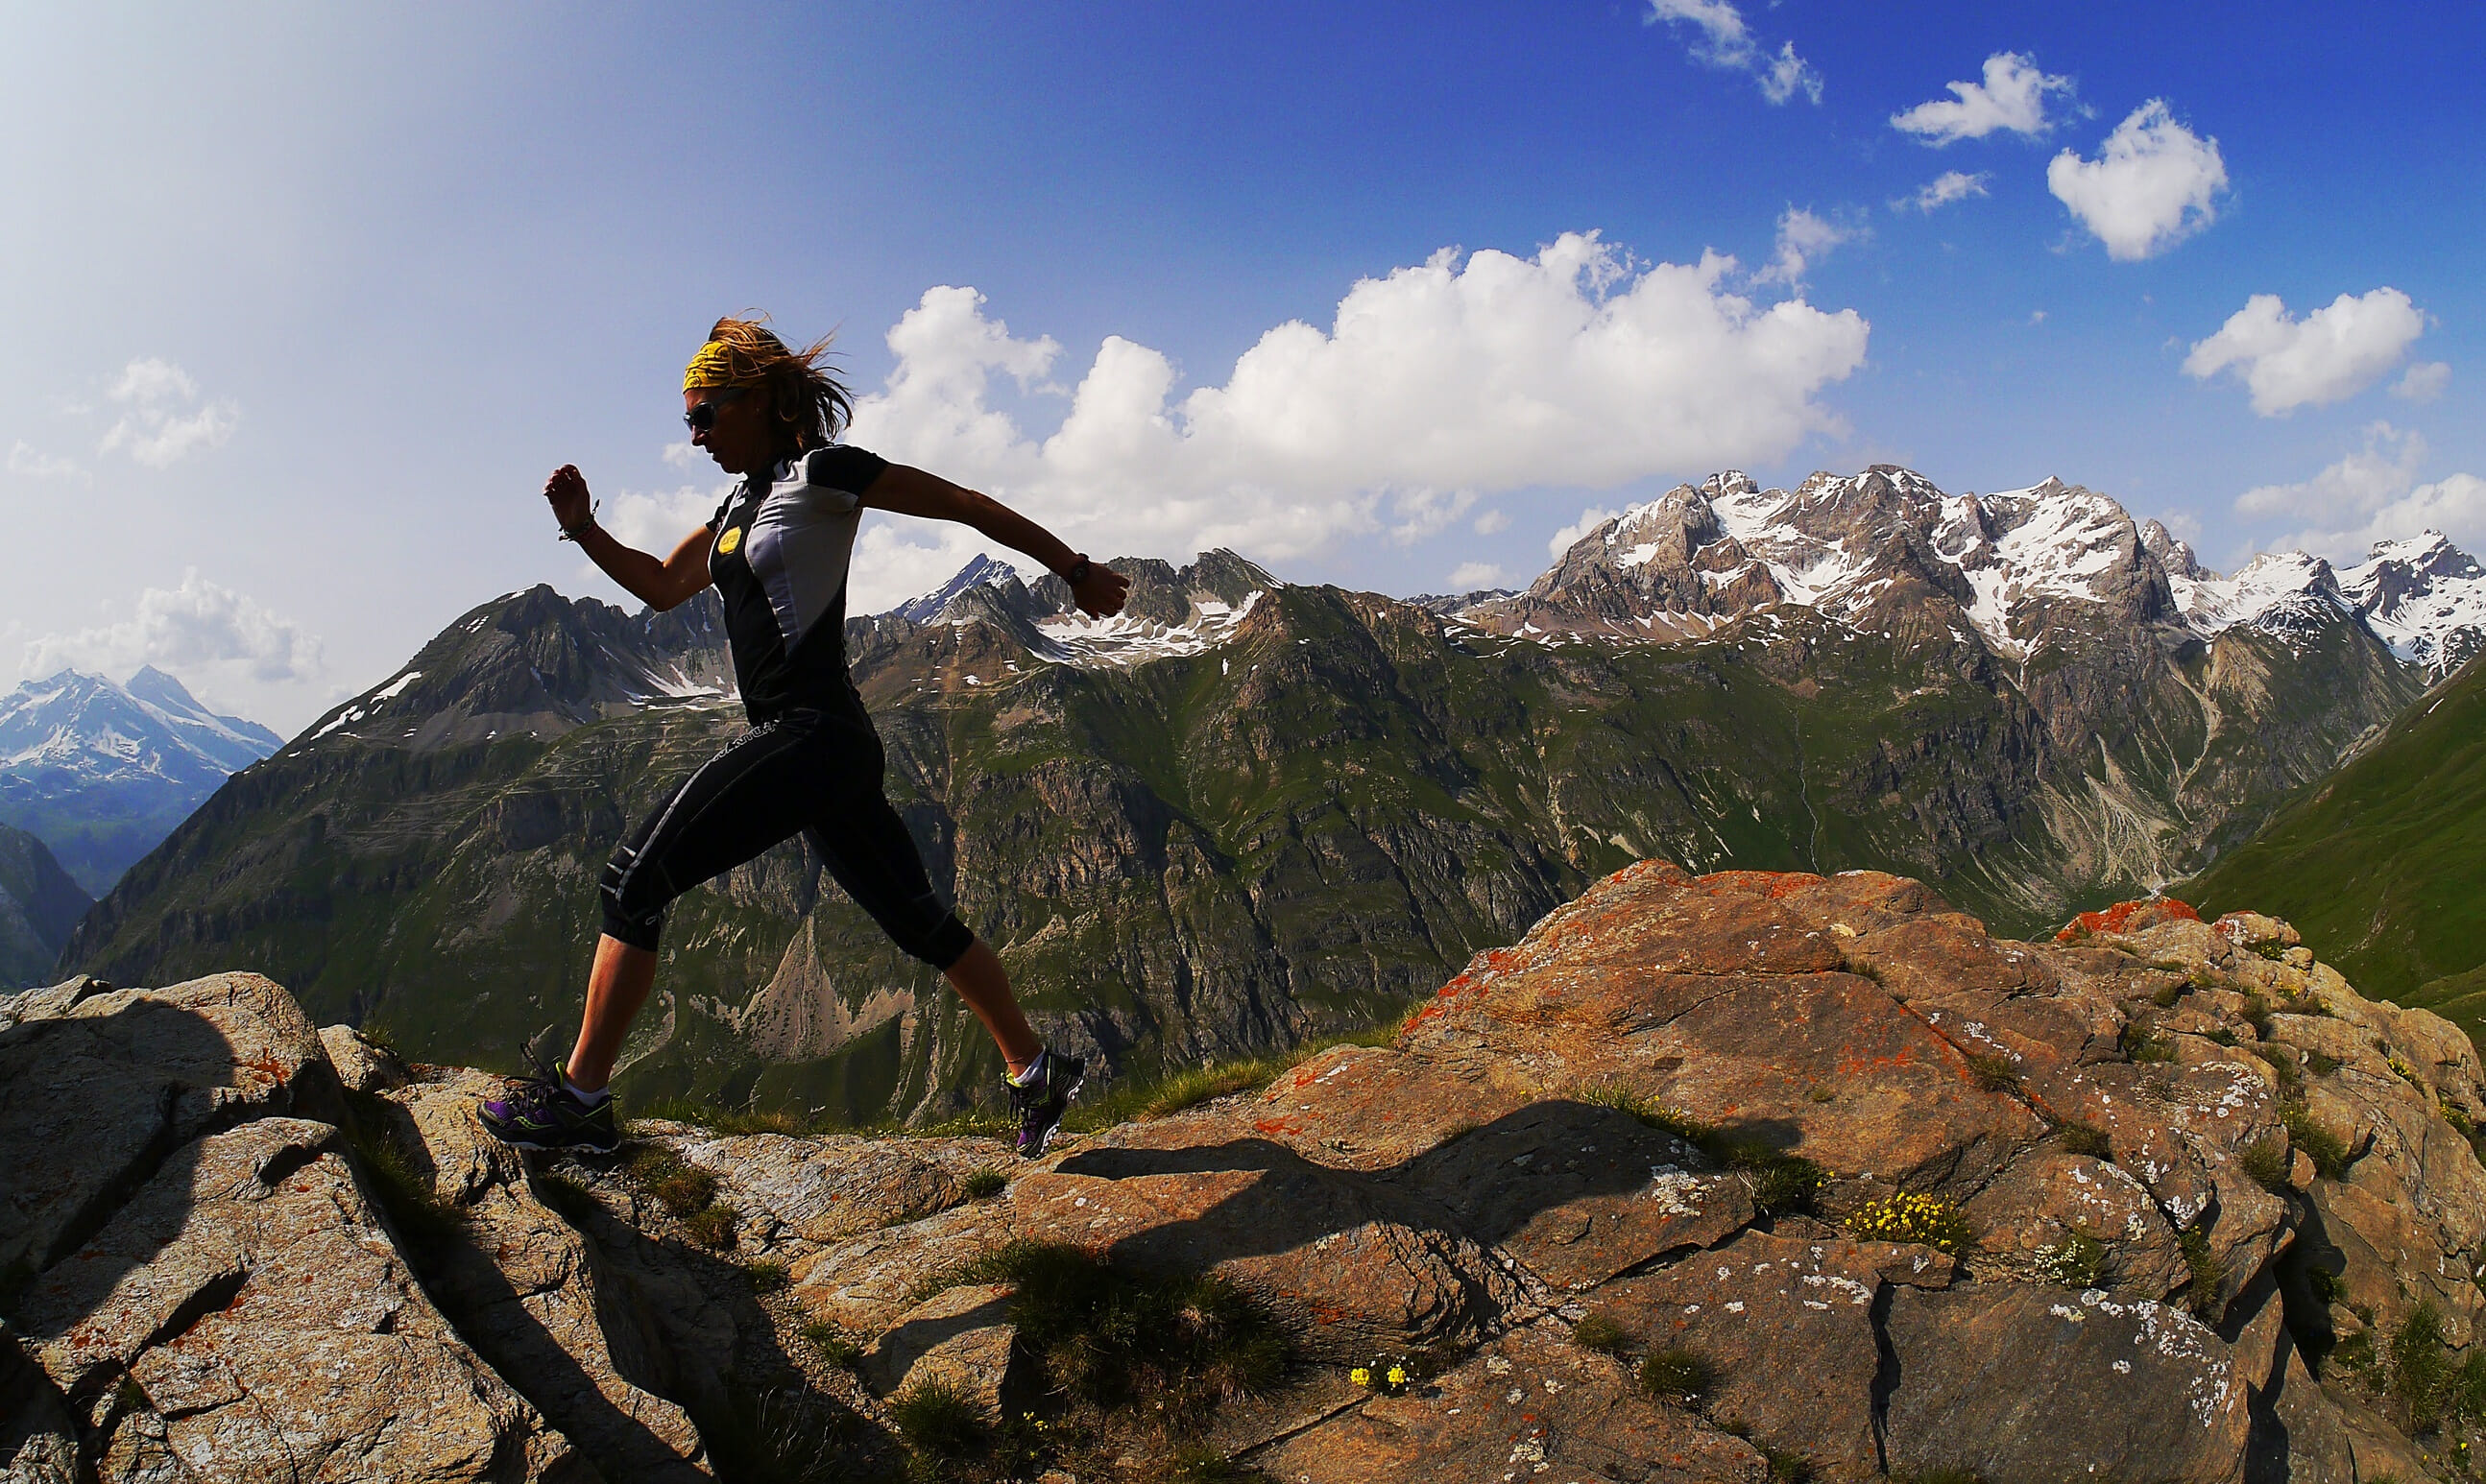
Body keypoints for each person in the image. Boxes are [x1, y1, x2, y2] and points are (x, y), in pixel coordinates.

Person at [480, 316, 1129, 1159]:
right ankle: (1034, 1070)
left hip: (812, 731)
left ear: (756, 400)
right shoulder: (733, 507)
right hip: (824, 747)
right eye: (688, 420)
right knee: (922, 924)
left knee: (632, 882)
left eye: (704, 414)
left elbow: (963, 505)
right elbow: (662, 586)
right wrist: (583, 526)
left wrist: (1073, 569)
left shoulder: (824, 473)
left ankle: (579, 1101)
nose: (695, 435)